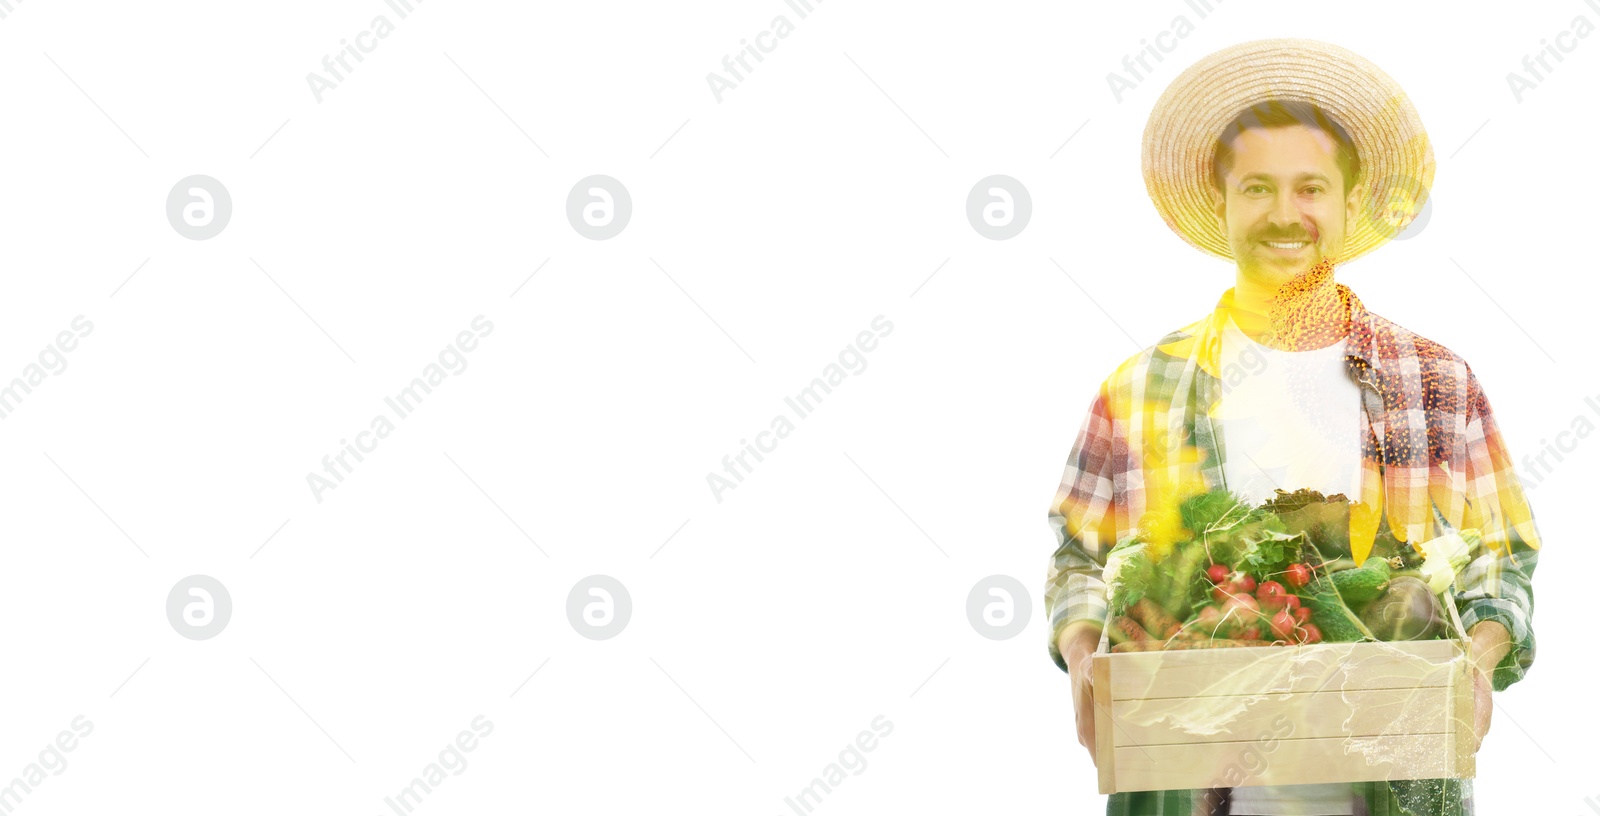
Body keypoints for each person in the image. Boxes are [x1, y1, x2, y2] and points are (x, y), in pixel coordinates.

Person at [1043, 39, 1540, 816]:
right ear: (1223, 203)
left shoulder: (1436, 382)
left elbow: (1503, 556)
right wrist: (1082, 658)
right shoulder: (1139, 388)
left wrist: (1476, 664)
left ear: (1348, 204)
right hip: (1185, 782)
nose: (1285, 215)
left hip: (1394, 787)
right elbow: (1080, 555)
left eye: (1310, 188)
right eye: (1257, 189)